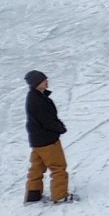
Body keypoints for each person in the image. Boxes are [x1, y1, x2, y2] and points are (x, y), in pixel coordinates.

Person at [24, 69, 70, 203]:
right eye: (44, 80)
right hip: (47, 140)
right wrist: (60, 128)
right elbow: (47, 120)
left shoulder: (35, 97)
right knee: (58, 167)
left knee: (37, 168)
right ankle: (60, 196)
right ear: (37, 83)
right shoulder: (38, 100)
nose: (47, 81)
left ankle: (33, 195)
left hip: (37, 140)